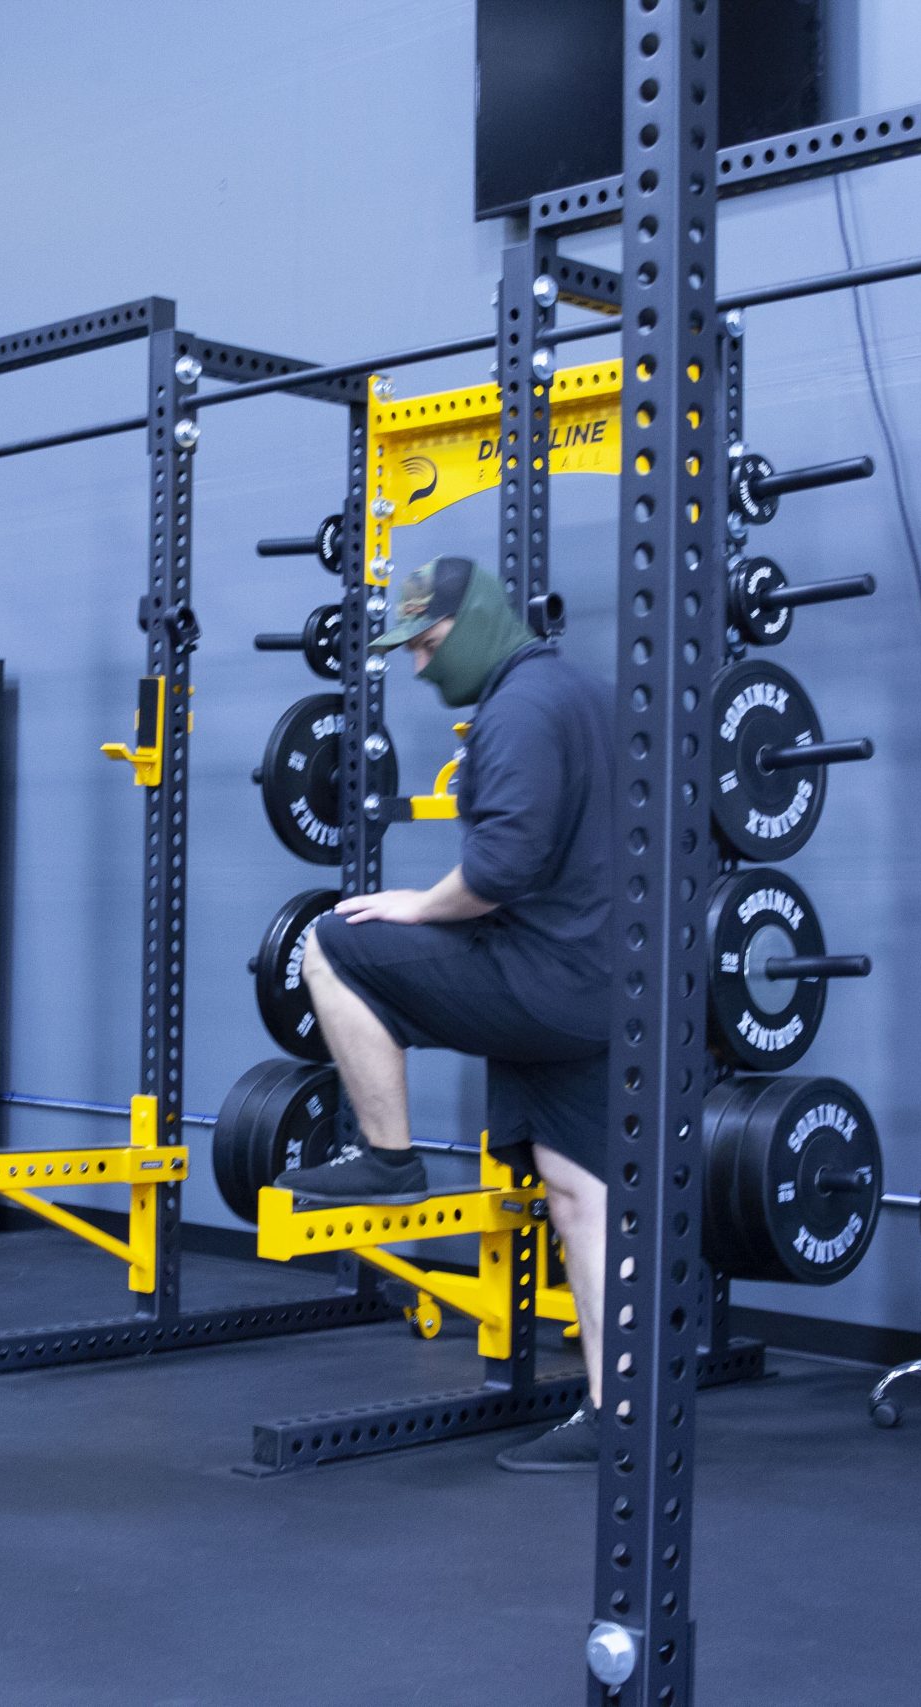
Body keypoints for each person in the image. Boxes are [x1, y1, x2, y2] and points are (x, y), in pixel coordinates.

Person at [275, 556, 614, 1471]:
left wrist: (416, 904)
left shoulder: (518, 711)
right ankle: (617, 1409)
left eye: (428, 645)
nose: (421, 669)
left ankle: (390, 1158)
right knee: (581, 1189)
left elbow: (500, 870)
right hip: (606, 986)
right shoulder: (583, 694)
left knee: (334, 942)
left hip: (540, 978)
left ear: (476, 628)